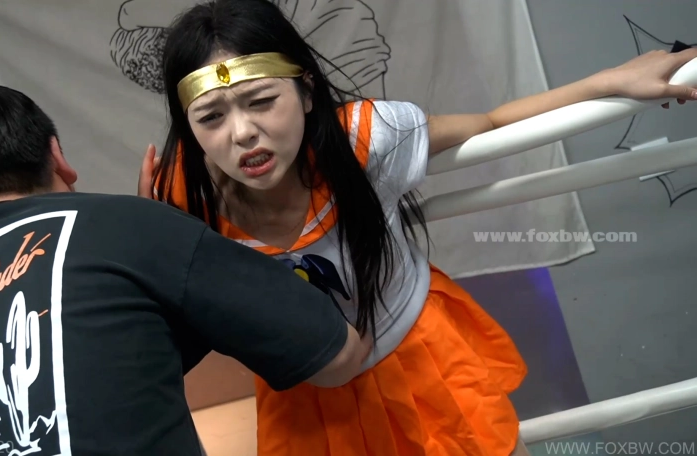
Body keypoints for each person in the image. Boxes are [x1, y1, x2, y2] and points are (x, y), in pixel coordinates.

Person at [135, 0, 697, 454]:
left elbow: (492, 122)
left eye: (261, 101)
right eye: (211, 117)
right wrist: (153, 235)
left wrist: (609, 81)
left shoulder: (365, 138)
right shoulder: (183, 197)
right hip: (307, 400)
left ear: (306, 92)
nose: (241, 133)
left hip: (422, 360)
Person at [0, 84, 373, 456]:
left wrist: (161, 267)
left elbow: (102, 372)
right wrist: (163, 238)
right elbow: (336, 356)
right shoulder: (123, 225)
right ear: (58, 156)